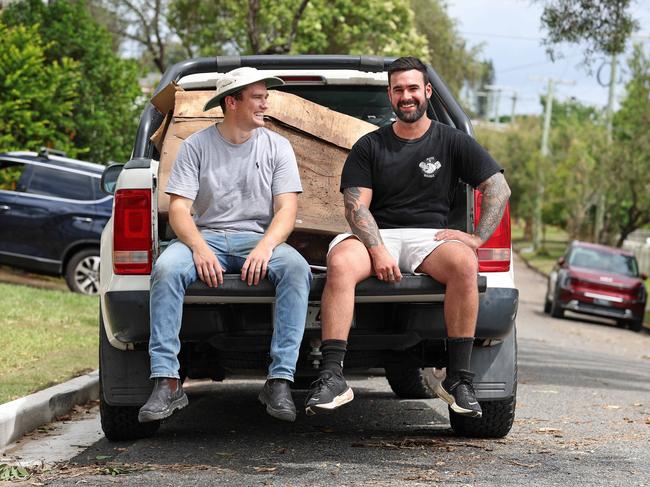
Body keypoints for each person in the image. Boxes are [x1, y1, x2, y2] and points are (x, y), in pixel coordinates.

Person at [304, 57, 511, 419]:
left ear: (427, 92)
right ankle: (332, 376)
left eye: (413, 88)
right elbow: (356, 208)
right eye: (398, 89)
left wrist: (476, 238)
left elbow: (498, 188)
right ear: (390, 95)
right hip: (377, 234)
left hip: (427, 239)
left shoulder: (452, 141)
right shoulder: (370, 145)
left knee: (465, 262)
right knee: (339, 262)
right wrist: (377, 248)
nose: (406, 96)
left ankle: (459, 380)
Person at [138, 67, 312, 424]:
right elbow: (179, 210)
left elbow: (287, 210)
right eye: (258, 98)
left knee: (296, 268)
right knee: (167, 269)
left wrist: (265, 247)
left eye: (267, 97)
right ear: (232, 102)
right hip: (208, 238)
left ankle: (279, 381)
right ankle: (167, 381)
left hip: (257, 240)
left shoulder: (278, 146)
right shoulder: (196, 146)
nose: (267, 104)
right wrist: (199, 248)